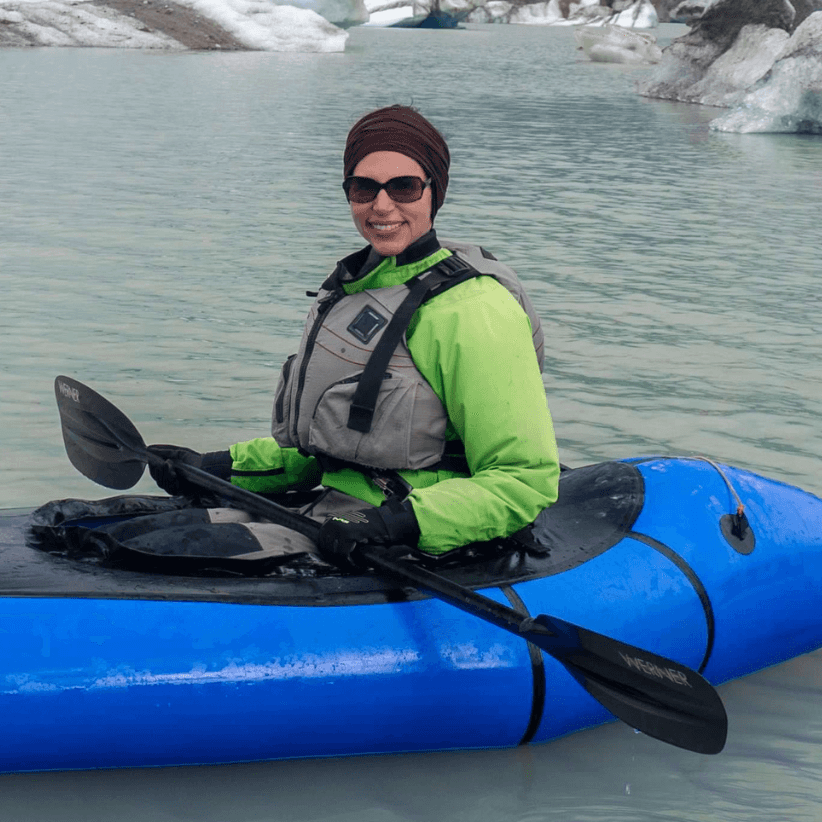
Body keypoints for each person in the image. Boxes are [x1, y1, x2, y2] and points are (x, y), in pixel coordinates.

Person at [144, 104, 560, 567]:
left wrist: (395, 524)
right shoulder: (358, 288)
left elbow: (524, 480)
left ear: (433, 192)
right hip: (334, 515)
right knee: (116, 534)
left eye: (404, 187)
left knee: (164, 557)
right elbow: (330, 457)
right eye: (364, 188)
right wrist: (215, 468)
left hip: (413, 536)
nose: (382, 206)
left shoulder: (473, 310)